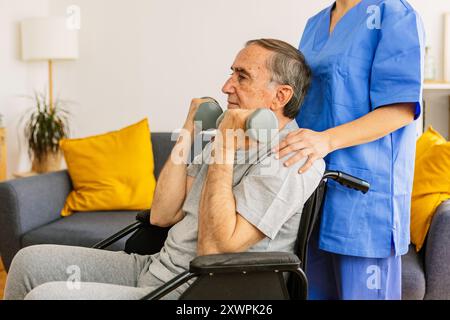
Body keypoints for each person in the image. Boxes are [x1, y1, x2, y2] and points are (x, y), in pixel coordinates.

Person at [4, 39, 325, 300]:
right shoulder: (222, 137)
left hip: (200, 291)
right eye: (231, 73)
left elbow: (215, 251)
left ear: (280, 96)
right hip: (156, 269)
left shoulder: (290, 157)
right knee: (29, 261)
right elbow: (162, 214)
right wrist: (189, 129)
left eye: (242, 77)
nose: (226, 86)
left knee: (48, 296)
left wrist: (224, 149)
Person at [272, 0, 424, 300]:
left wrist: (325, 141)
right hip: (313, 189)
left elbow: (401, 108)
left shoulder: (393, 13)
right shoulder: (315, 23)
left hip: (365, 200)